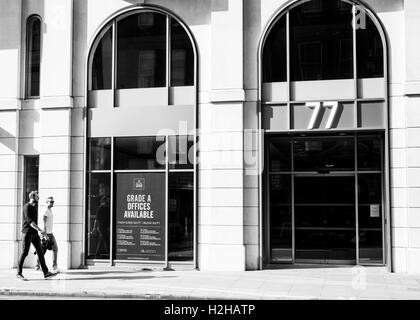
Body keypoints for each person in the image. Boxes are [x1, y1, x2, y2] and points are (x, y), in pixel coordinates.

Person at [16, 191, 56, 280]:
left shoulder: (34, 207)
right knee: (25, 252)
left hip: (34, 233)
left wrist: (38, 231)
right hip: (27, 233)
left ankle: (46, 272)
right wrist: (40, 230)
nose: (38, 198)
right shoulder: (26, 207)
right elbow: (30, 222)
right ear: (32, 197)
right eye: (37, 197)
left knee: (40, 251)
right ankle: (18, 273)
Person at [35, 196, 59, 273]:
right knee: (42, 251)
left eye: (53, 202)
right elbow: (43, 224)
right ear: (47, 202)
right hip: (46, 234)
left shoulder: (50, 210)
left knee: (54, 249)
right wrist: (45, 235)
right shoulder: (45, 211)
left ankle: (54, 267)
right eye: (51, 202)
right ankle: (37, 266)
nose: (52, 203)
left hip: (50, 233)